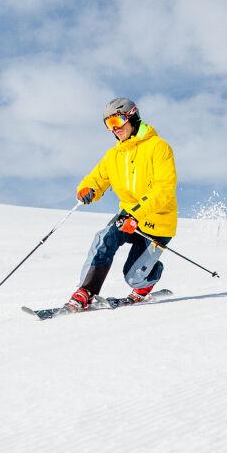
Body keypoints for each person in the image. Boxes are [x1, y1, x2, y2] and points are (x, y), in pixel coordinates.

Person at [64, 97, 178, 311]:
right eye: (108, 125)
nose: (113, 129)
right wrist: (87, 189)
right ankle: (85, 291)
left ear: (132, 116)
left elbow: (163, 189)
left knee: (134, 277)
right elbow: (96, 179)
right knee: (104, 238)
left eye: (116, 121)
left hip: (157, 220)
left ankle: (146, 279)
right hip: (128, 216)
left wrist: (137, 214)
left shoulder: (158, 147)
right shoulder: (114, 155)